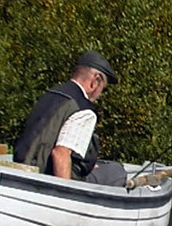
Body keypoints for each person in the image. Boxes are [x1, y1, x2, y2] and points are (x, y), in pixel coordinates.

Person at [14, 51, 127, 186]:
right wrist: (65, 195)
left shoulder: (52, 94)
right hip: (46, 177)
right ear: (95, 81)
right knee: (116, 172)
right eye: (103, 89)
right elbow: (60, 153)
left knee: (100, 167)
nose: (101, 95)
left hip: (22, 170)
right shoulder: (84, 110)